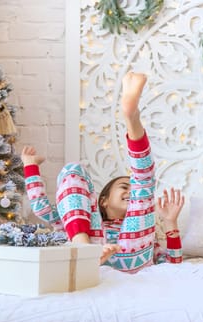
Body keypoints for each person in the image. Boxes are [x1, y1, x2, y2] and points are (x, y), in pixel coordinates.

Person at [21, 72, 184, 273]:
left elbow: (174, 267)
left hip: (133, 255)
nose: (131, 192)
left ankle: (131, 116)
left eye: (132, 189)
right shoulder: (82, 217)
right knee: (72, 169)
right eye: (124, 186)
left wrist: (170, 222)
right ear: (104, 200)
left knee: (144, 182)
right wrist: (30, 167)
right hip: (88, 246)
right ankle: (84, 248)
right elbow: (41, 208)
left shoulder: (146, 229)